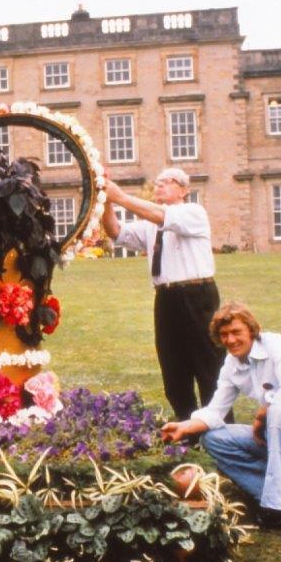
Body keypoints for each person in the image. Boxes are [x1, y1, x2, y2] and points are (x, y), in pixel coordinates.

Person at [160, 302, 281, 528]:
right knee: (213, 438)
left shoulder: (278, 345)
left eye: (236, 332)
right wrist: (184, 427)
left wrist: (260, 418)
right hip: (276, 436)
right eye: (224, 334)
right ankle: (277, 491)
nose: (230, 340)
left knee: (279, 410)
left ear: (251, 330)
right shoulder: (231, 363)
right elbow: (216, 411)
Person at [101, 168, 225, 423]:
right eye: (157, 182)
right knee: (172, 363)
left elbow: (162, 216)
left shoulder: (193, 212)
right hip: (166, 298)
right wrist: (106, 202)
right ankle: (185, 422)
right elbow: (116, 232)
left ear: (184, 190)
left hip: (197, 295)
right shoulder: (150, 225)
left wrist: (120, 196)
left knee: (208, 363)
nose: (159, 186)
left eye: (168, 182)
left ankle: (219, 425)